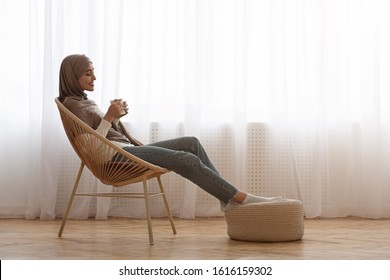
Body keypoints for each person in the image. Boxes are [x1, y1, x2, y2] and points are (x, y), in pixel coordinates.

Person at [58, 54, 281, 212]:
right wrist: (108, 117)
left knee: (191, 142)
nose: (94, 78)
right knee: (185, 159)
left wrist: (116, 117)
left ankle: (227, 198)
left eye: (93, 72)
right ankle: (239, 198)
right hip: (116, 156)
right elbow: (95, 149)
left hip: (123, 150)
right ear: (72, 76)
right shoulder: (74, 105)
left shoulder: (84, 102)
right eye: (88, 73)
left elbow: (104, 134)